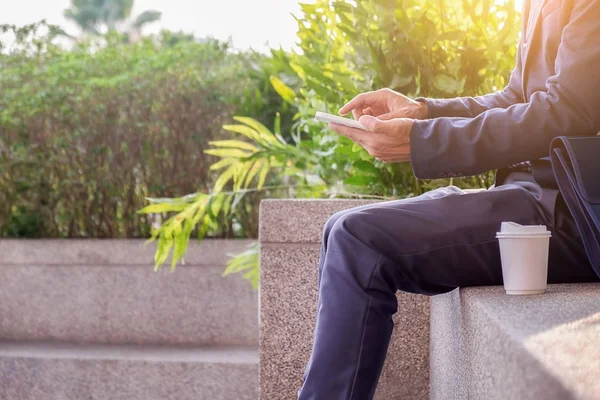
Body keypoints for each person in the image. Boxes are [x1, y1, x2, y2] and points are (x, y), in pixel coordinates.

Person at [298, 0, 600, 399]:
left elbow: (569, 110)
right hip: (530, 196)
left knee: (358, 239)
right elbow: (518, 95)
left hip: (573, 209)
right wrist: (422, 112)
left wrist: (423, 142)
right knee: (339, 226)